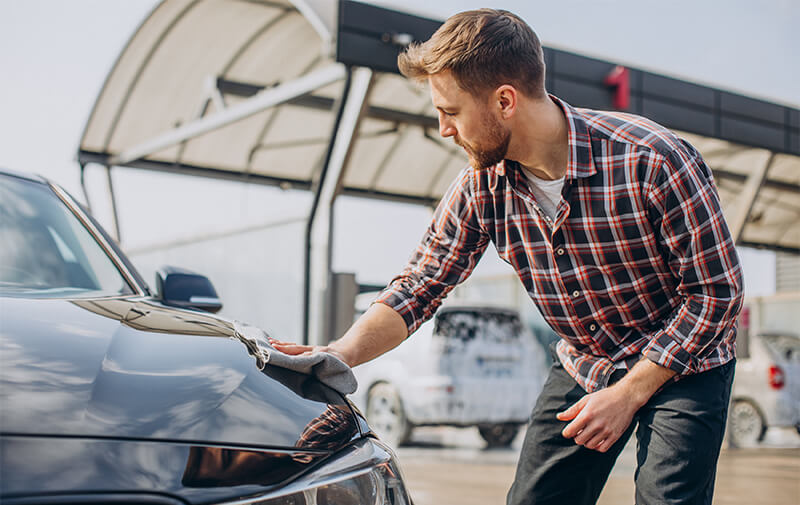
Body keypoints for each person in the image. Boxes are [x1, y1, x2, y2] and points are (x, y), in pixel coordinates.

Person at [271, 8, 743, 505]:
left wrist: (628, 394)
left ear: (504, 100)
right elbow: (421, 284)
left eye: (450, 111)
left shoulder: (654, 160)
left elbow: (716, 296)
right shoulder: (482, 185)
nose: (443, 129)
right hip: (587, 362)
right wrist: (340, 353)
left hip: (685, 365)